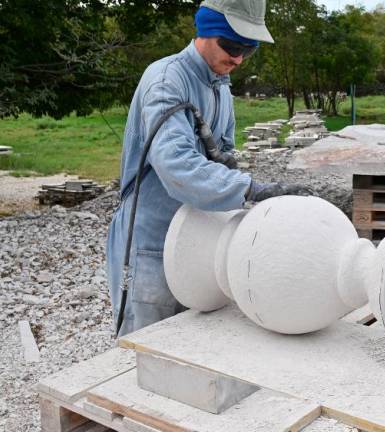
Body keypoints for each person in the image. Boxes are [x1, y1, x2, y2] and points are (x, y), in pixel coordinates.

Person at [107, 0, 309, 336]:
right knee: (144, 351)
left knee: (191, 346)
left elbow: (224, 153)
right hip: (150, 242)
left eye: (249, 49)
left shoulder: (220, 85)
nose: (239, 58)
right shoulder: (167, 81)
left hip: (198, 237)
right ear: (206, 30)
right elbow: (178, 166)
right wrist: (250, 190)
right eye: (231, 45)